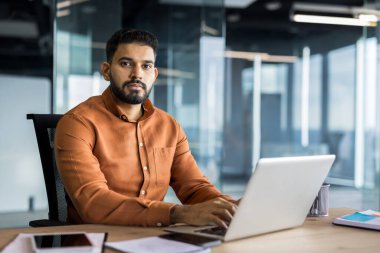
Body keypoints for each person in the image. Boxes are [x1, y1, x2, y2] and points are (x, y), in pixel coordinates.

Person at [55, 28, 237, 228]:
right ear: (107, 71)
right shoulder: (77, 123)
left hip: (155, 238)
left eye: (146, 66)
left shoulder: (169, 126)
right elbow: (93, 202)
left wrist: (232, 208)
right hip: (97, 240)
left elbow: (194, 188)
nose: (137, 74)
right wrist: (176, 213)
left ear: (154, 74)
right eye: (126, 64)